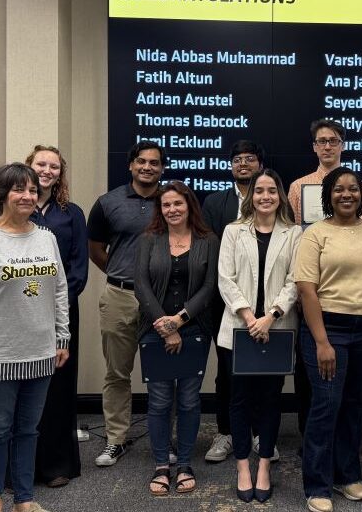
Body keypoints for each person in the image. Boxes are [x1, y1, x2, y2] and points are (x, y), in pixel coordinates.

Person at [0, 163, 70, 512]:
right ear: (2, 194)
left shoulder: (46, 237)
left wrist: (62, 336)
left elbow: (59, 290)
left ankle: (24, 499)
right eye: (19, 189)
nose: (28, 196)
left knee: (28, 430)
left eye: (33, 190)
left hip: (41, 354)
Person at [295, 166, 362, 512]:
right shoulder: (315, 234)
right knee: (325, 405)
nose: (346, 194)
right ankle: (317, 485)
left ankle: (347, 474)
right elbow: (306, 290)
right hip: (327, 328)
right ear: (328, 196)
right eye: (338, 190)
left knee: (353, 405)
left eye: (353, 189)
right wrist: (321, 341)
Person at [217, 169, 302, 503]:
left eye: (271, 191)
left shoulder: (293, 233)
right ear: (250, 196)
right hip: (238, 330)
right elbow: (225, 278)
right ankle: (242, 467)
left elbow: (296, 280)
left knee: (270, 401)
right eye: (259, 191)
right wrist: (250, 316)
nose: (265, 196)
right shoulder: (233, 231)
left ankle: (264, 464)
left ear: (280, 195)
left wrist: (271, 316)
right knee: (238, 402)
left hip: (277, 331)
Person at [135, 180, 218, 496]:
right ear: (160, 209)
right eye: (166, 205)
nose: (172, 209)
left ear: (189, 206)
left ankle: (184, 463)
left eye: (178, 204)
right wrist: (164, 325)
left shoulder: (207, 240)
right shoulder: (149, 239)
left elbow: (209, 288)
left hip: (195, 329)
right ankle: (160, 465)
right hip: (154, 330)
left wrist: (179, 321)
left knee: (188, 399)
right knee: (158, 401)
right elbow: (140, 283)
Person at [87, 140, 165, 466]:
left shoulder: (173, 201)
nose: (148, 167)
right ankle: (116, 440)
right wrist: (124, 276)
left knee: (163, 374)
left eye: (154, 163)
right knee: (117, 373)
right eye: (142, 162)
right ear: (131, 165)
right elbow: (96, 250)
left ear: (162, 168)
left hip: (162, 301)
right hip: (120, 297)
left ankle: (164, 443)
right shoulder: (108, 203)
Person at [25, 145, 88, 488]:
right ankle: (21, 468)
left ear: (60, 174)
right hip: (19, 316)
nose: (47, 170)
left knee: (58, 388)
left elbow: (78, 269)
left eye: (54, 166)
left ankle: (56, 466)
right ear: (28, 167)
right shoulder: (11, 210)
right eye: (41, 164)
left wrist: (55, 307)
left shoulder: (71, 214)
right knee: (23, 387)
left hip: (61, 314)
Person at [201, 139, 267, 463]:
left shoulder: (272, 200)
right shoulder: (215, 203)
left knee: (261, 369)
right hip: (223, 301)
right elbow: (210, 253)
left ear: (260, 165)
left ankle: (258, 433)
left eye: (250, 158)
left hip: (264, 304)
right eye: (237, 159)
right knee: (227, 372)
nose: (243, 164)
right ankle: (226, 433)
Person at [287, 118, 362, 224]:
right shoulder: (297, 187)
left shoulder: (360, 187)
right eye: (322, 141)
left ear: (343, 146)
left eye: (333, 141)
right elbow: (289, 230)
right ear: (315, 146)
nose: (327, 147)